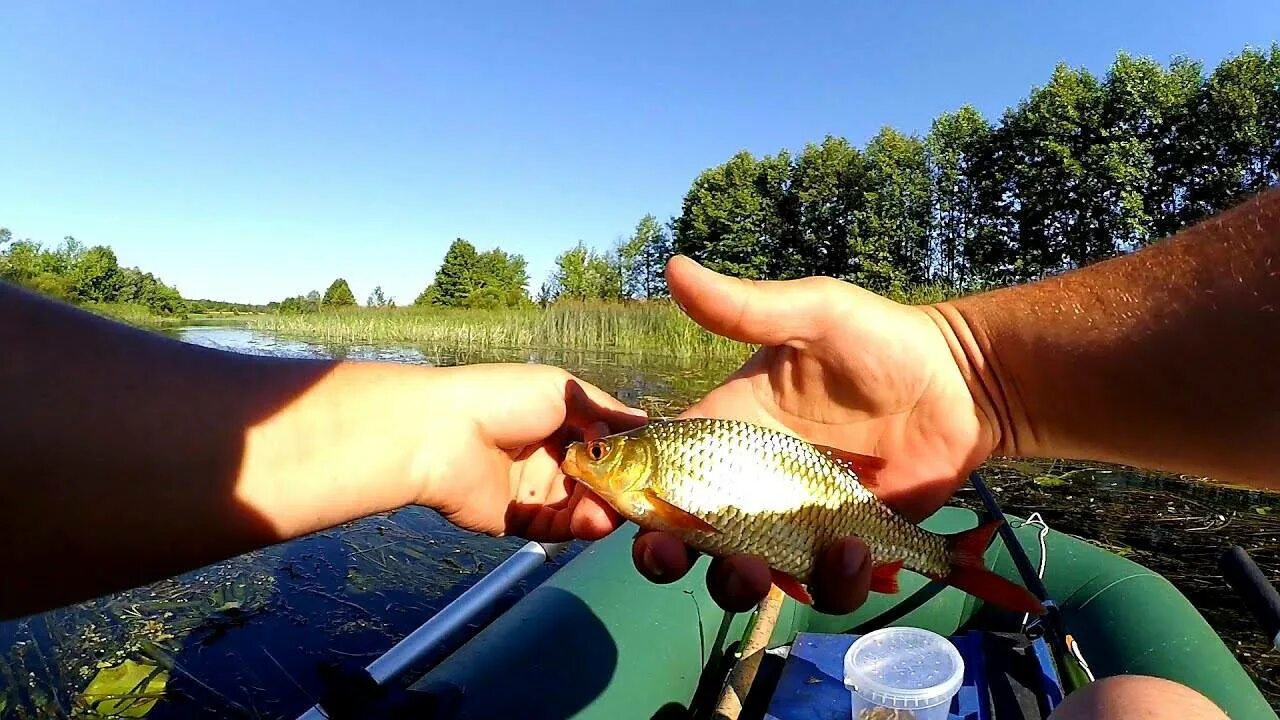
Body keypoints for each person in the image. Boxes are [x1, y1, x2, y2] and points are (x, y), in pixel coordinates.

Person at [5, 188, 1277, 719]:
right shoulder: (649, 466)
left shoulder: (661, 467)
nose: (593, 474)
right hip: (804, 498)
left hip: (816, 501)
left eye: (604, 465)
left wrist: (970, 374)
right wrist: (976, 378)